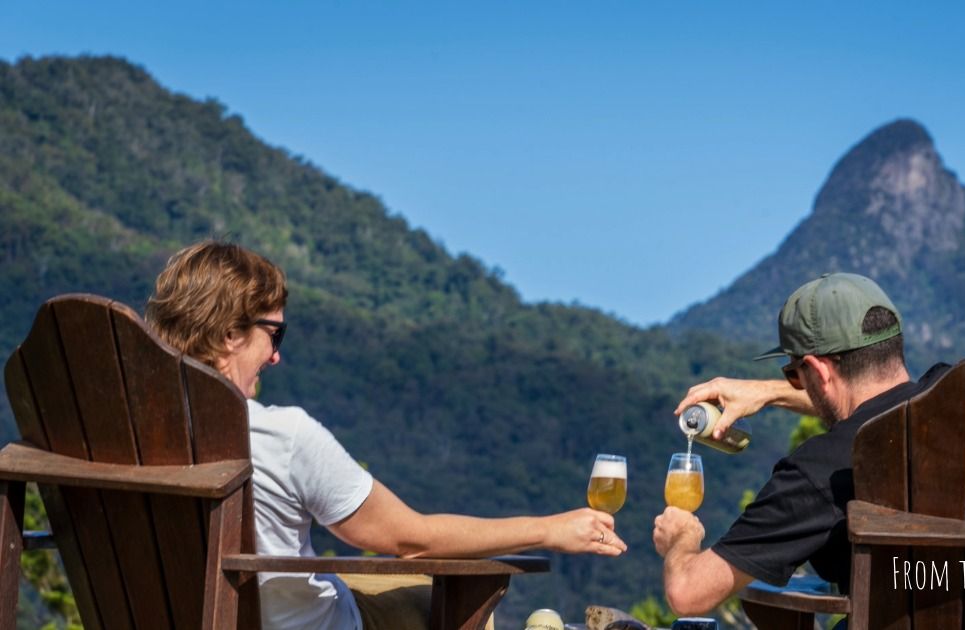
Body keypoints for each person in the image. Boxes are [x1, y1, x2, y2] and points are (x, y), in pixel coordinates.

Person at [145, 240, 627, 630]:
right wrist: (548, 529)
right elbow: (410, 540)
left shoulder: (127, 437)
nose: (276, 357)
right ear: (231, 334)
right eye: (275, 335)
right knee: (435, 595)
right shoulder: (282, 434)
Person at [652, 272, 949, 615]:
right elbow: (870, 400)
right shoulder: (964, 403)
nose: (795, 384)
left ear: (818, 371)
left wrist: (681, 540)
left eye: (795, 374)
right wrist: (768, 392)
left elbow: (687, 593)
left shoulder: (820, 471)